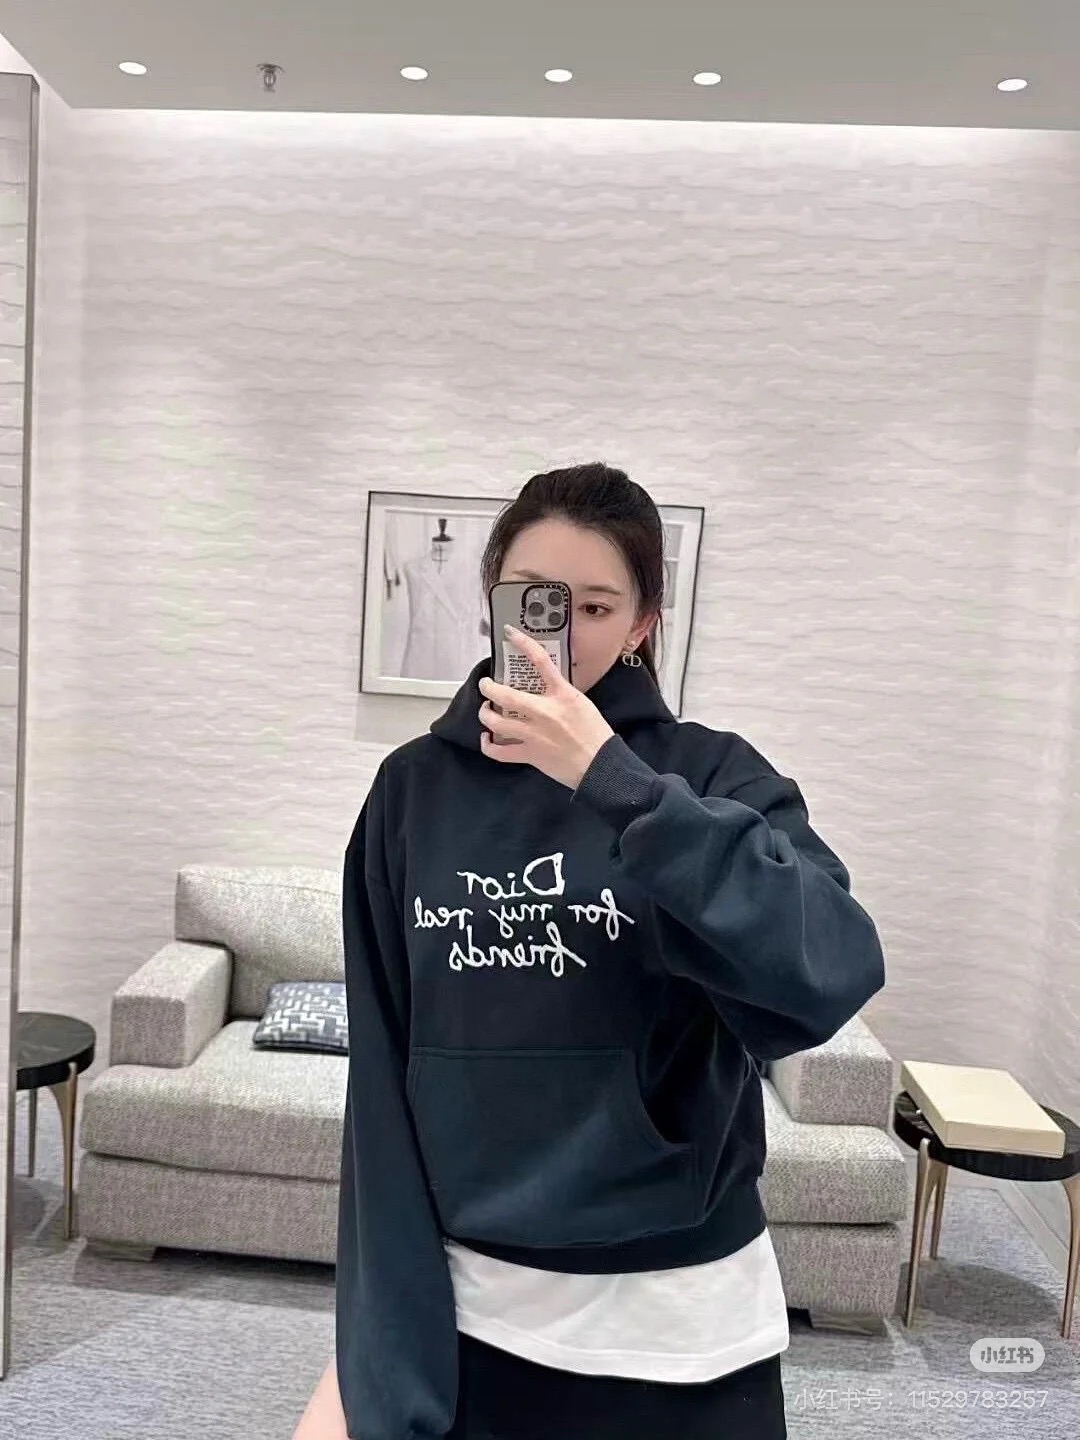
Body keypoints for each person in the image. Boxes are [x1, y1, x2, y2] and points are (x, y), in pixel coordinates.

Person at [304, 463, 886, 1440]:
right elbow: (383, 1083)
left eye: (598, 606)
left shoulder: (712, 776)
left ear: (644, 623)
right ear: (492, 593)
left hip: (685, 1322)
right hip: (472, 1316)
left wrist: (615, 782)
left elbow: (831, 968)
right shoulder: (411, 792)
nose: (560, 633)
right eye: (536, 598)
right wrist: (377, 1350)